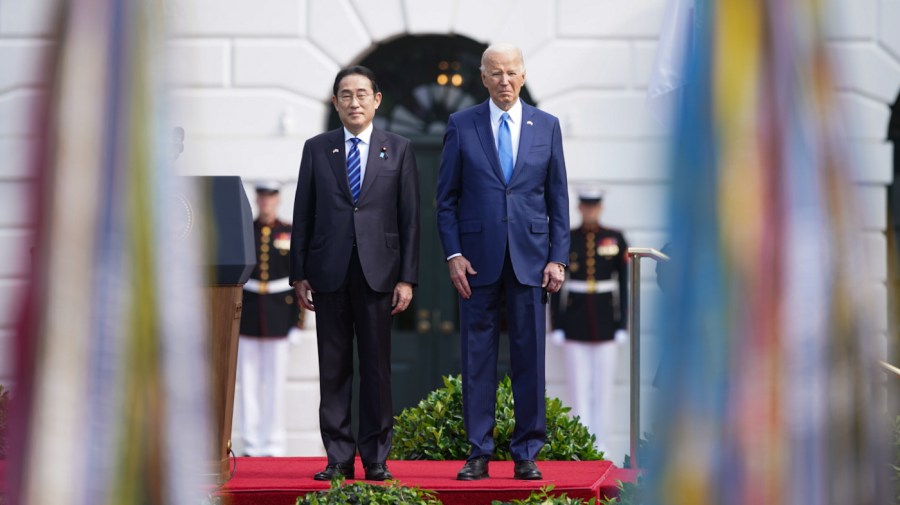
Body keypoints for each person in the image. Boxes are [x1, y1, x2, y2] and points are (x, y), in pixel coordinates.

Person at [436, 43, 570, 481]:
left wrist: (558, 259)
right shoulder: (461, 124)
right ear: (483, 77)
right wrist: (454, 254)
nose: (504, 80)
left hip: (532, 261)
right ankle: (479, 451)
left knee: (530, 356)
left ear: (524, 75)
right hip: (476, 262)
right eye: (495, 73)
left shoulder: (546, 126)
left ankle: (527, 451)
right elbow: (446, 200)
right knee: (477, 358)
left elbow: (558, 199)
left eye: (511, 72)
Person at [289, 66, 420, 482]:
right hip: (328, 274)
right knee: (334, 367)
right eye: (345, 95)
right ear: (335, 103)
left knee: (377, 369)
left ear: (377, 99)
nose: (354, 102)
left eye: (362, 94)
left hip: (379, 274)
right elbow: (303, 214)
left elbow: (411, 220)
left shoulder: (398, 149)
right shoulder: (316, 148)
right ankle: (339, 457)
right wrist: (298, 274)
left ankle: (377, 457)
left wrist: (407, 278)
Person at [549, 189, 628, 453]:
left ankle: (602, 444)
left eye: (594, 207)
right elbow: (556, 284)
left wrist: (621, 325)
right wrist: (557, 324)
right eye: (586, 206)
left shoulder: (615, 238)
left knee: (603, 388)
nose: (590, 211)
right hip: (575, 321)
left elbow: (624, 286)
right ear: (580, 208)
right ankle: (582, 445)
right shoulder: (568, 239)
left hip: (606, 321)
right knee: (577, 388)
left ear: (600, 208)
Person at [237, 181, 303, 457]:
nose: (266, 203)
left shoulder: (289, 232)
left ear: (277, 200)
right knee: (247, 382)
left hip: (279, 315)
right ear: (257, 199)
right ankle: (250, 442)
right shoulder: (244, 232)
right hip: (249, 315)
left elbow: (298, 280)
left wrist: (298, 323)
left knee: (275, 383)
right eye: (262, 198)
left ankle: (274, 442)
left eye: (271, 198)